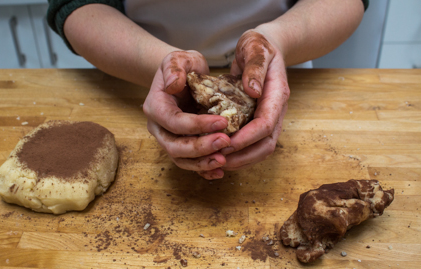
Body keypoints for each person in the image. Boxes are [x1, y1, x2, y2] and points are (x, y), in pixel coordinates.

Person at [47, 0, 368, 180]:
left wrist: (275, 41)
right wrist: (162, 63)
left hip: (283, 58)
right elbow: (73, 4)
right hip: (129, 60)